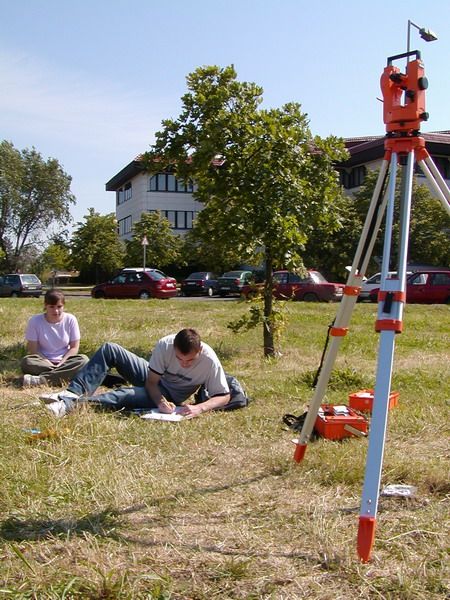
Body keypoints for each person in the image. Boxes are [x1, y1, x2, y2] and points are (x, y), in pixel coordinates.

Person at [40, 328, 231, 418]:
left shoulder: (210, 360)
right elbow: (151, 382)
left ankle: (67, 405)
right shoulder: (165, 345)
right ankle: (72, 392)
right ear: (173, 348)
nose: (184, 364)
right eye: (179, 359)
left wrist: (199, 408)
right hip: (154, 381)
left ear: (200, 350)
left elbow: (224, 396)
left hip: (171, 394)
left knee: (123, 395)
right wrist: (158, 401)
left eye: (190, 361)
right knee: (110, 349)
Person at [21, 289, 89, 387]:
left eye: (59, 307)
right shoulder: (35, 321)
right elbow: (33, 350)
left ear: (63, 305)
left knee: (84, 360)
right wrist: (48, 363)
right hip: (42, 362)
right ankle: (63, 375)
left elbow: (74, 347)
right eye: (52, 307)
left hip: (65, 361)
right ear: (45, 305)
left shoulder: (71, 319)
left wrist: (62, 363)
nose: (56, 311)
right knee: (26, 362)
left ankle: (41, 380)